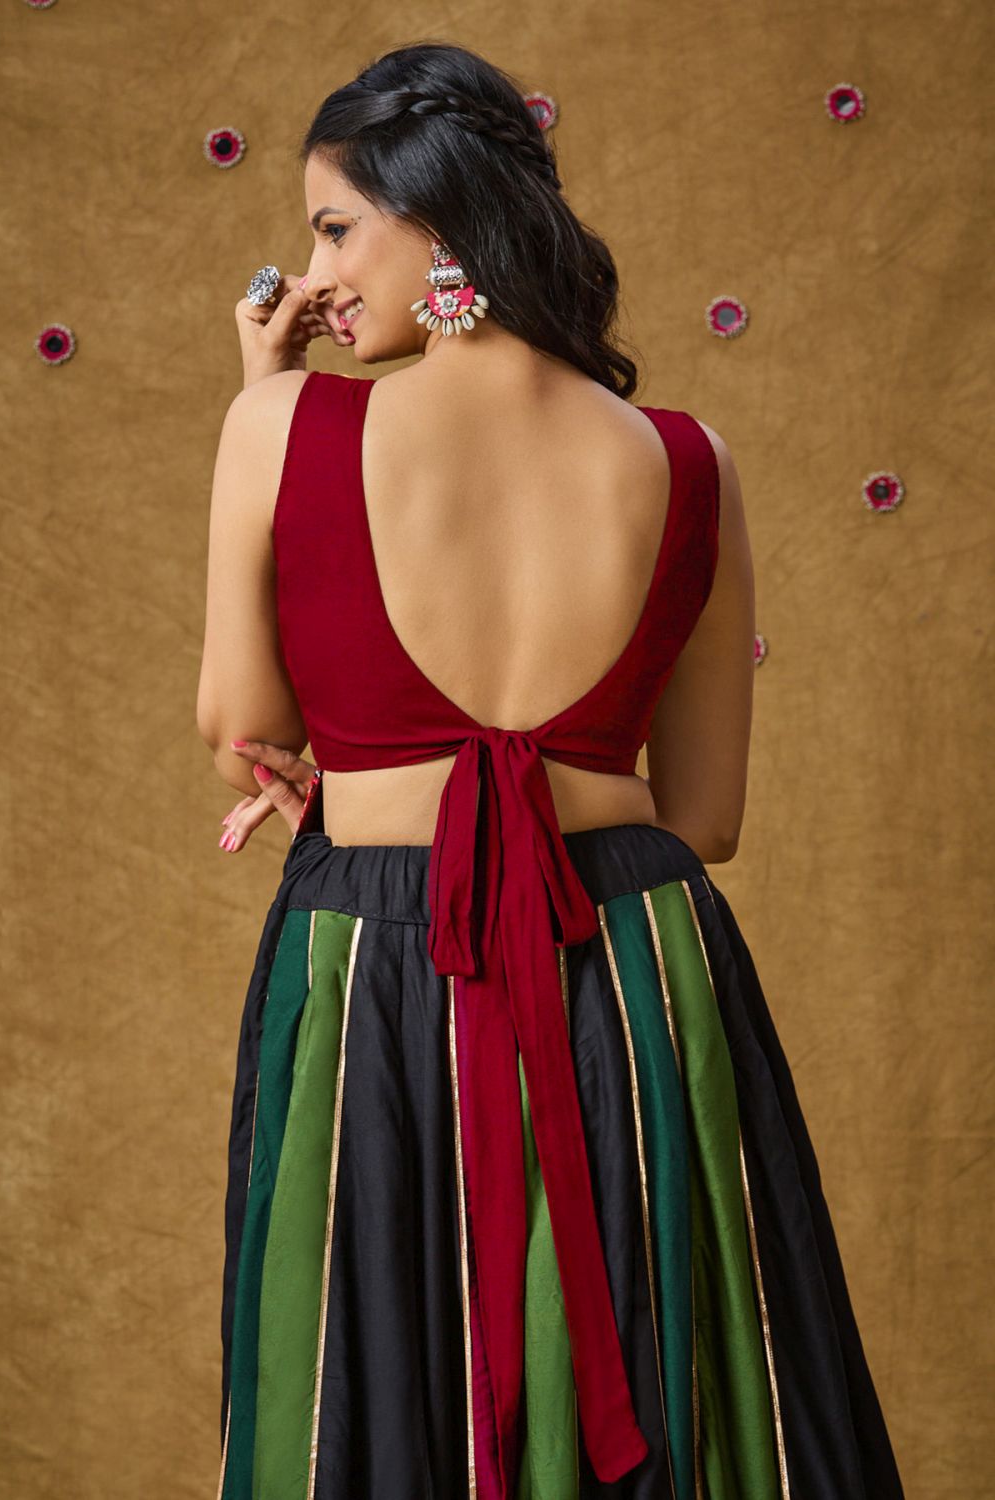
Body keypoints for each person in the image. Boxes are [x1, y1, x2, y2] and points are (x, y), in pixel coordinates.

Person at [197, 40, 906, 1500]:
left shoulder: (282, 425)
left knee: (368, 1383)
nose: (313, 280)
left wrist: (263, 394)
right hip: (633, 962)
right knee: (671, 1366)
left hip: (374, 960)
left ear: (440, 212)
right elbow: (702, 817)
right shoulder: (690, 459)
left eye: (335, 229)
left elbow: (242, 723)